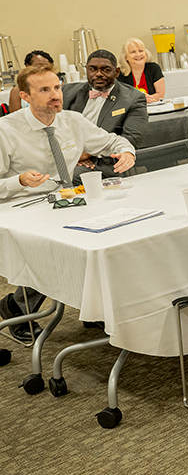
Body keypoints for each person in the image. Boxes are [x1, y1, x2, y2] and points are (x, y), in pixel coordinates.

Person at [0, 63, 137, 342]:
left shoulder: (72, 120)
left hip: (66, 199)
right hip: (20, 205)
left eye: (57, 88)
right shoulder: (6, 130)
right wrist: (20, 181)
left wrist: (126, 152)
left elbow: (112, 142)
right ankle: (18, 305)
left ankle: (94, 309)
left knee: (106, 239)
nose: (55, 95)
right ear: (25, 97)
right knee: (56, 248)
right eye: (44, 90)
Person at [62, 49, 147, 177]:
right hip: (68, 158)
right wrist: (72, 156)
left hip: (106, 161)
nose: (98, 74)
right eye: (93, 69)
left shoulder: (132, 98)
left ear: (116, 72)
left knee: (69, 176)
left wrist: (85, 154)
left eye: (106, 70)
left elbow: (132, 138)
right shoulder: (68, 92)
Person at [117, 37, 165, 103]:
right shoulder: (120, 74)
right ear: (126, 57)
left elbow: (160, 94)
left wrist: (145, 100)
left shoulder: (154, 68)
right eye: (133, 52)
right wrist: (142, 100)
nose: (138, 54)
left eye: (141, 51)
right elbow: (120, 98)